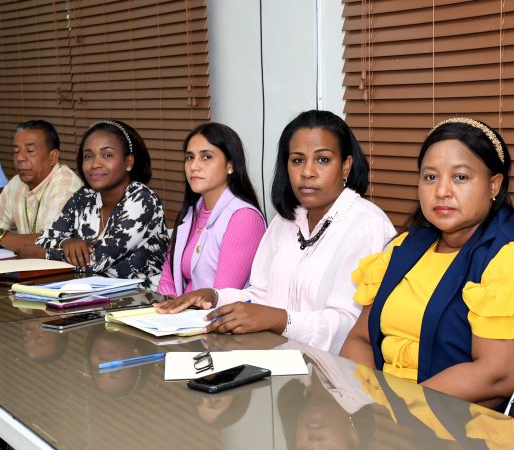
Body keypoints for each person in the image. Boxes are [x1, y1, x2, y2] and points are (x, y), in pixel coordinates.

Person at [340, 117, 514, 410]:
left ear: (494, 185)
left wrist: (398, 408)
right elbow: (360, 340)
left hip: (459, 422)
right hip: (382, 411)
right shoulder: (406, 246)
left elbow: (497, 376)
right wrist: (366, 402)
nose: (442, 191)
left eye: (460, 177)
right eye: (430, 177)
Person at [156, 110, 396, 354]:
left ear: (346, 166)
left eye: (322, 160)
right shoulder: (284, 221)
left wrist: (279, 320)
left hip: (332, 370)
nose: (307, 172)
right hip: (275, 359)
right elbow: (261, 295)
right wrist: (214, 296)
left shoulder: (367, 225)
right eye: (297, 160)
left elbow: (352, 328)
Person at [36, 120, 168, 280]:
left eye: (107, 155)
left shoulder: (142, 200)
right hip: (86, 290)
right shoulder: (84, 197)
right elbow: (43, 239)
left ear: (128, 162)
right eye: (88, 156)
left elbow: (95, 261)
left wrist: (43, 254)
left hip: (143, 293)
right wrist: (65, 242)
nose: (95, 164)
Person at [157, 123, 266, 297]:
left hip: (213, 313)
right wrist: (162, 308)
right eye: (190, 157)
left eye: (206, 157)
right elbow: (167, 282)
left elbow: (220, 297)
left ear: (230, 165)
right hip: (182, 312)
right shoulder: (191, 211)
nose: (194, 166)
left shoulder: (244, 217)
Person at [0, 120, 83, 254]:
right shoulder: (17, 182)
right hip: (26, 262)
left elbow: (51, 241)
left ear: (53, 157)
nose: (20, 157)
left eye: (30, 150)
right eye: (16, 151)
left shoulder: (66, 185)